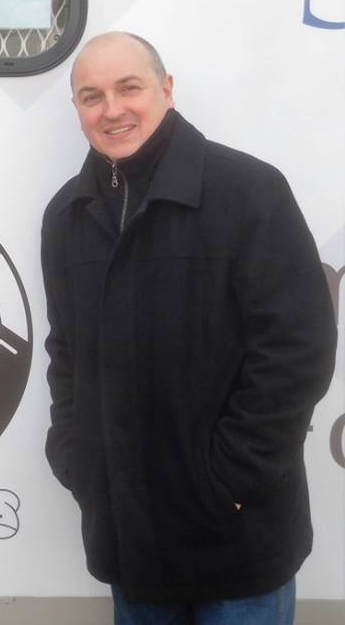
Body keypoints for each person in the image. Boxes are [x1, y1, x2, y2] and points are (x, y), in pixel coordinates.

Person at [40, 31, 336, 623]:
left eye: (129, 88)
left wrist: (232, 479)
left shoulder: (249, 192)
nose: (112, 110)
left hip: (239, 539)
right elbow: (66, 353)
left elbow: (297, 350)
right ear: (77, 109)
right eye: (92, 97)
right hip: (130, 544)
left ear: (167, 90)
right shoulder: (67, 216)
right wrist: (77, 460)